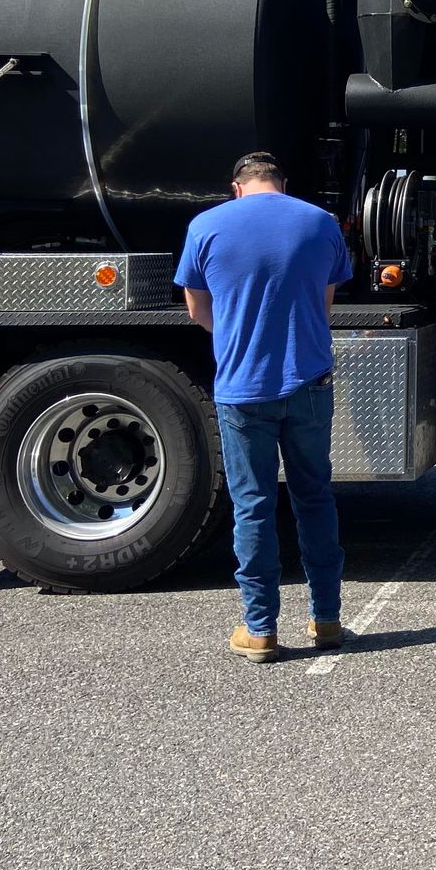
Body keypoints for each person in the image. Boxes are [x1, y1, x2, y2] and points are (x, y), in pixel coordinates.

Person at [175, 151, 353, 664]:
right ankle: (327, 619)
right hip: (309, 381)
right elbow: (325, 302)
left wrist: (234, 334)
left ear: (237, 186)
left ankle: (260, 629)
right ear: (282, 181)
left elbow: (197, 308)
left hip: (244, 386)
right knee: (315, 497)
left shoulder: (206, 225)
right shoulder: (319, 223)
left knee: (252, 506)